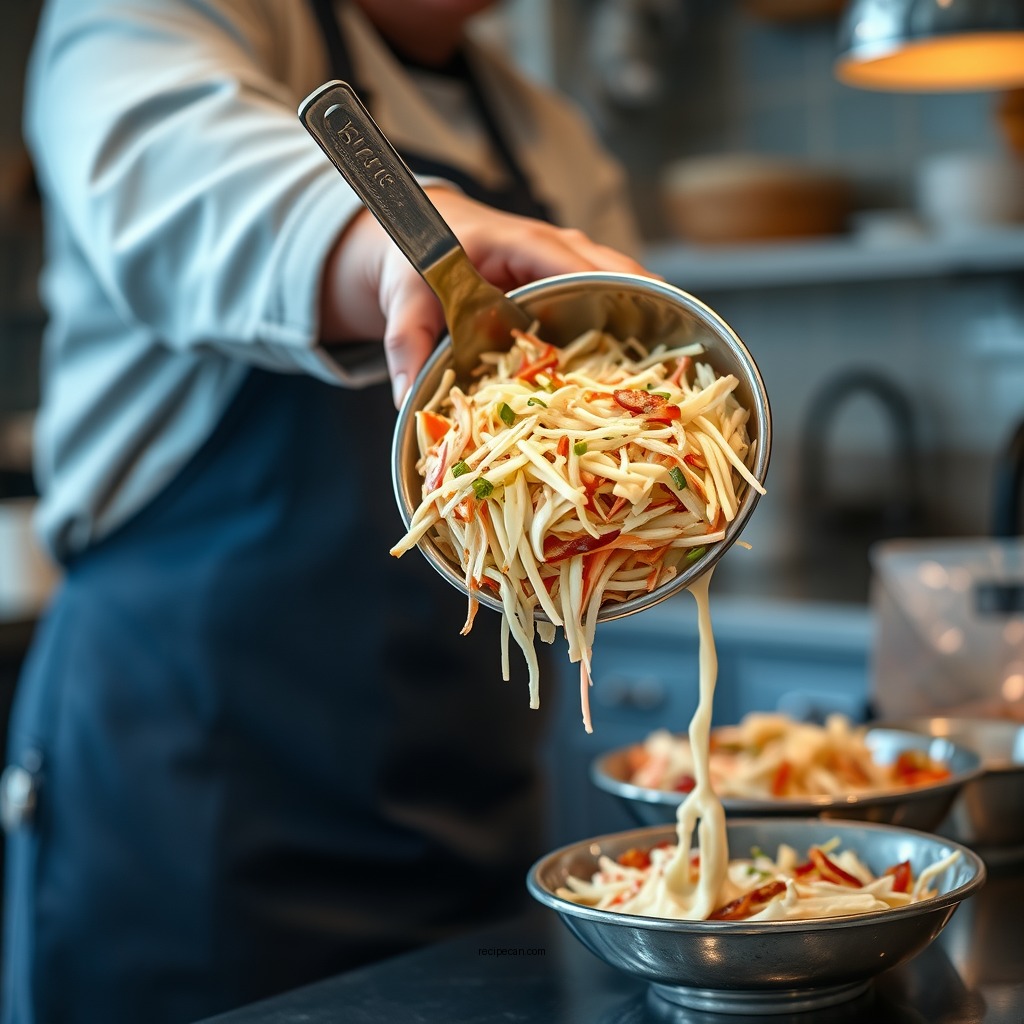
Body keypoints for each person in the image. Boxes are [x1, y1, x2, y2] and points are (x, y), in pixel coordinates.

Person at [2, 2, 645, 1022]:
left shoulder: (555, 141)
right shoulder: (152, 17)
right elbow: (167, 171)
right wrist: (401, 249)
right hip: (188, 797)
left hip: (465, 802)